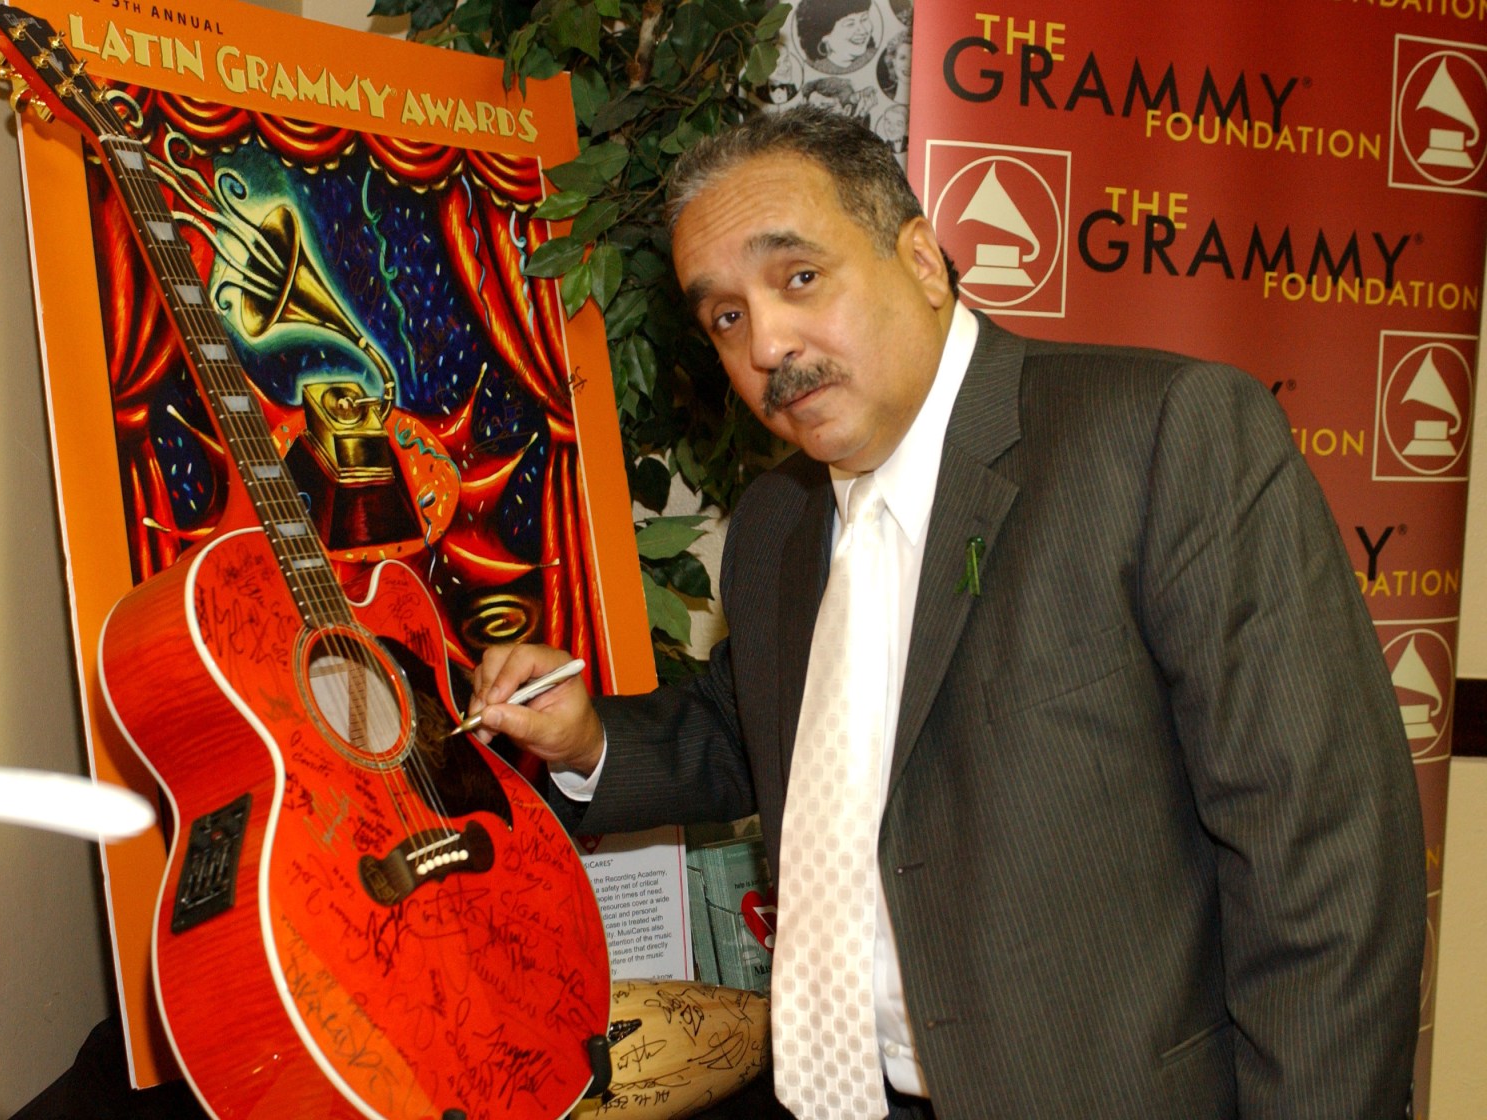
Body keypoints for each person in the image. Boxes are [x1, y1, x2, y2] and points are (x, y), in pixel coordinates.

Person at [469, 106, 1426, 1120]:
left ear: (922, 262)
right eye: (725, 317)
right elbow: (764, 730)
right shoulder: (776, 524)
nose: (768, 345)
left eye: (797, 278)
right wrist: (584, 739)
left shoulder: (1160, 440)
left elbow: (1325, 863)